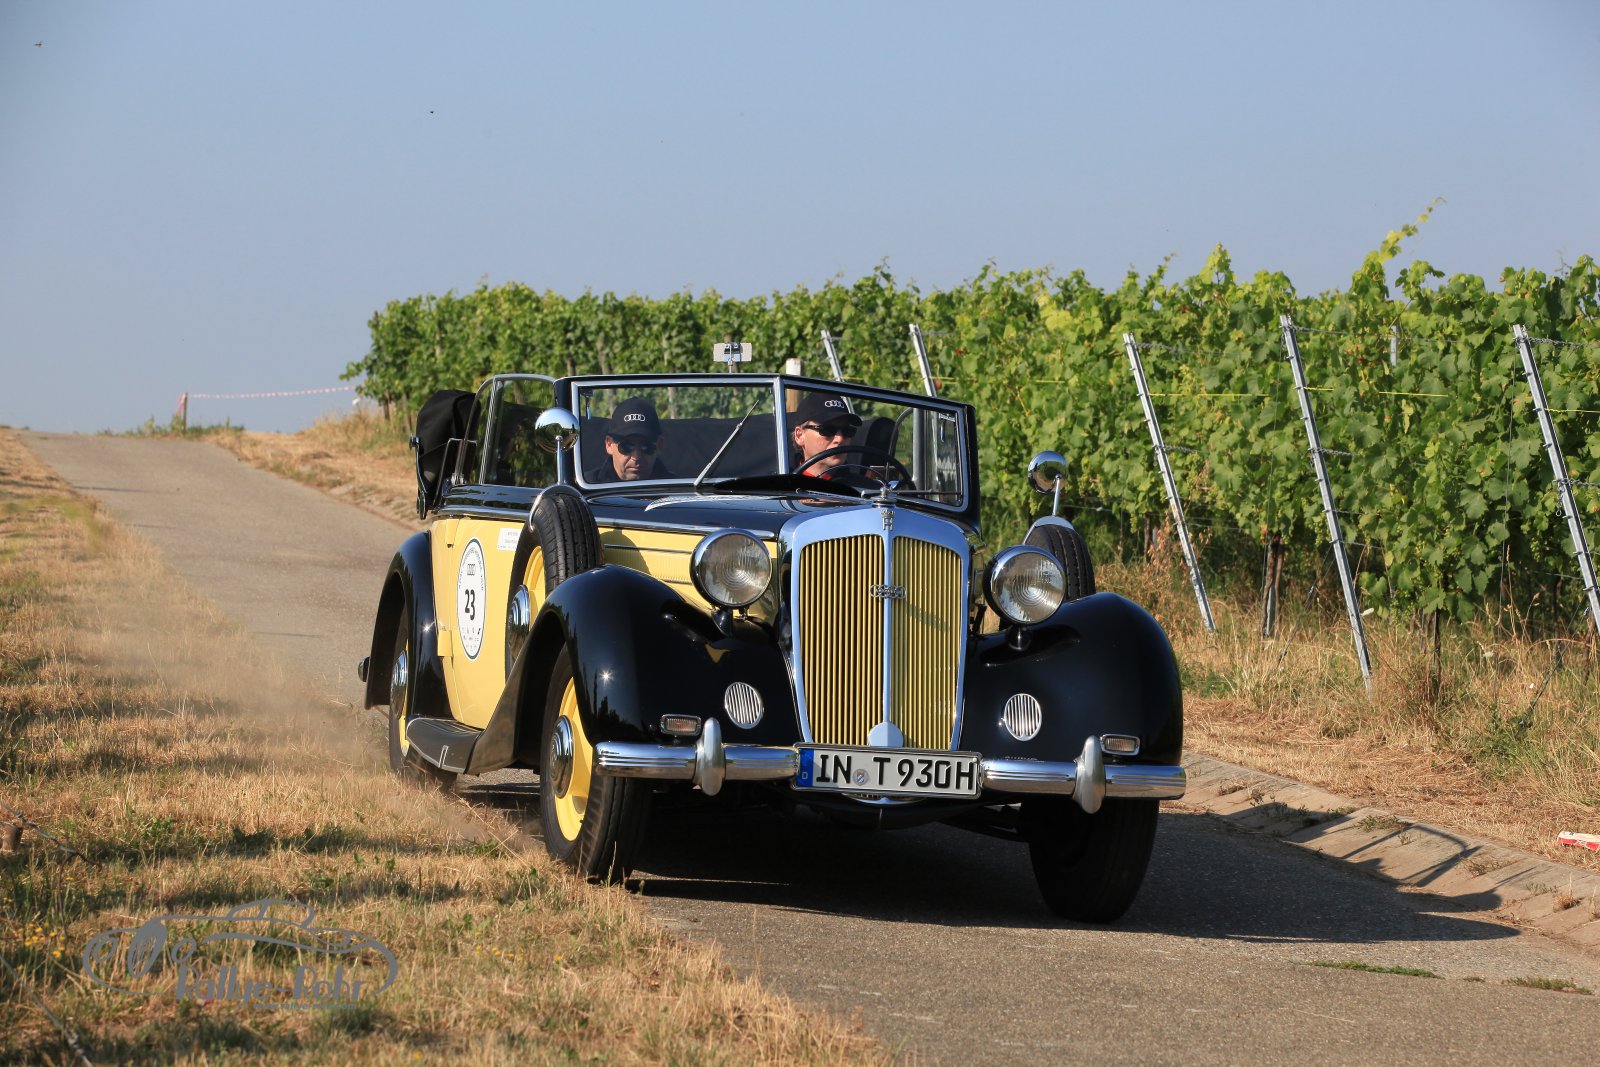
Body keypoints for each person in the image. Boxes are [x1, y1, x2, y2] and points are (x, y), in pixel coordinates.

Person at [585, 397, 675, 482]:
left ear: (659, 445)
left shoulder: (676, 488)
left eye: (646, 446)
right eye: (626, 447)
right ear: (609, 445)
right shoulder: (586, 487)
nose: (636, 457)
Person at [790, 391, 864, 477]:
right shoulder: (781, 482)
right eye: (827, 430)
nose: (839, 439)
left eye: (847, 431)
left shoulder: (861, 485)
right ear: (800, 436)